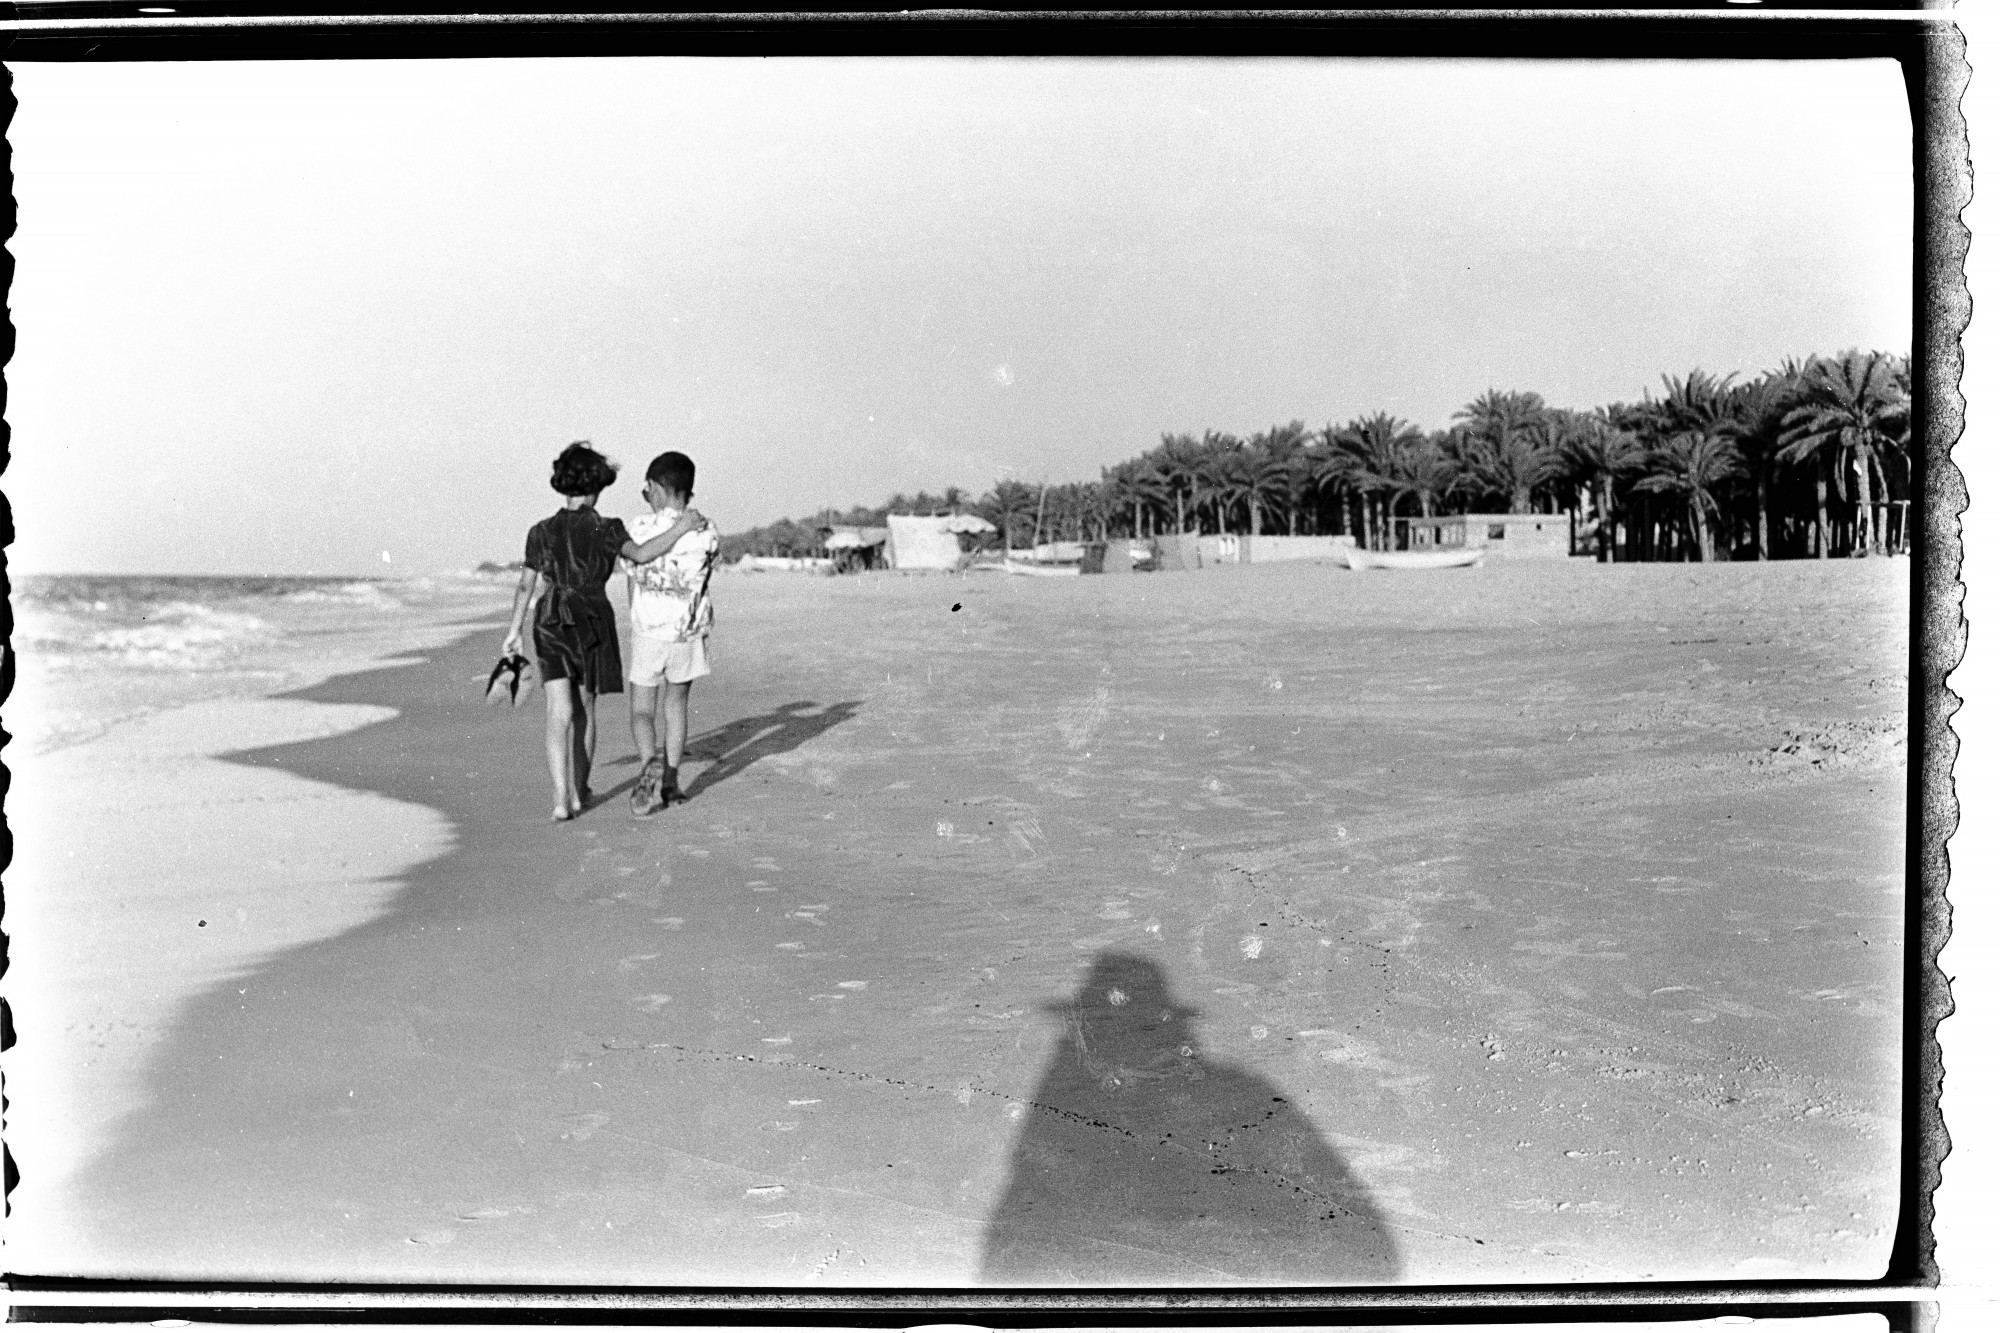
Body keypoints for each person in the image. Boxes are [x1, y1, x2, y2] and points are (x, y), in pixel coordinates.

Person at [501, 442, 705, 822]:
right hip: (592, 619)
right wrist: (681, 527)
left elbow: (525, 586)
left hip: (550, 620)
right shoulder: (607, 528)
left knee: (557, 711)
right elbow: (643, 554)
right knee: (586, 709)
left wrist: (513, 632)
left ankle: (562, 799)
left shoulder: (540, 531)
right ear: (597, 486)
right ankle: (581, 790)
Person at [621, 450, 720, 816]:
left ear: (658, 489)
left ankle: (650, 761)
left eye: (647, 491)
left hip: (648, 631)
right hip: (688, 633)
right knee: (676, 707)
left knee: (642, 711)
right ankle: (672, 782)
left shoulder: (639, 529)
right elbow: (706, 576)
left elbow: (632, 573)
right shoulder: (707, 531)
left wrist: (634, 617)